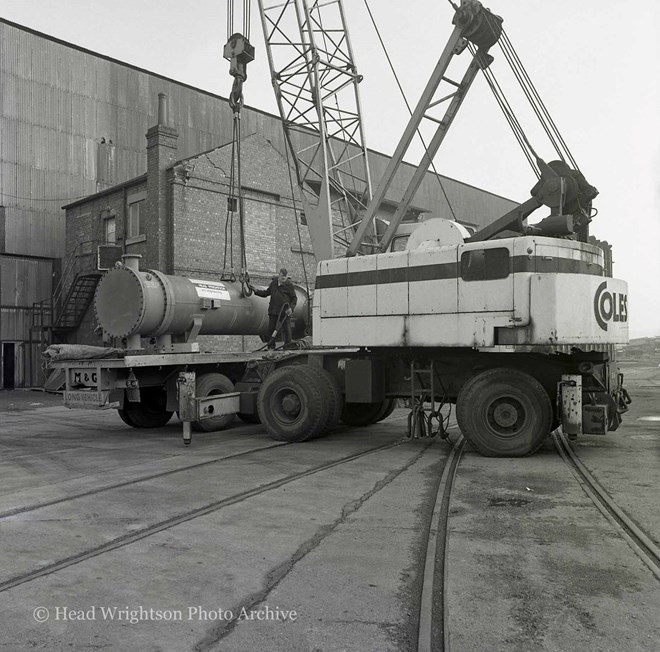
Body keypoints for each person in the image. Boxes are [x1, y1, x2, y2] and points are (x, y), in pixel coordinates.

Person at [252, 268, 297, 348]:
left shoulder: (289, 285)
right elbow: (266, 293)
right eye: (282, 276)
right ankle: (271, 346)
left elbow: (294, 298)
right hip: (273, 311)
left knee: (287, 330)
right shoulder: (273, 284)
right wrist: (256, 291)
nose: (283, 278)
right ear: (279, 275)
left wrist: (291, 308)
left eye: (285, 277)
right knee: (271, 330)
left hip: (284, 312)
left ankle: (287, 346)